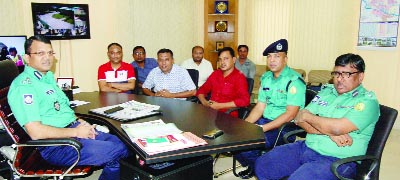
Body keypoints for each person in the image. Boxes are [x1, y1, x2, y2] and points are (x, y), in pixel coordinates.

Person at [7, 35, 130, 180]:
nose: (47, 57)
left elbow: (63, 109)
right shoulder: (25, 86)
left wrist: (81, 122)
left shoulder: (47, 78)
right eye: (40, 53)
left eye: (50, 52)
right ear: (27, 58)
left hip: (73, 130)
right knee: (118, 150)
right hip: (58, 146)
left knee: (122, 142)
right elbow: (35, 132)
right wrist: (77, 132)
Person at [254, 53, 380, 180]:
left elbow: (337, 128)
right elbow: (298, 117)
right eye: (336, 73)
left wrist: (310, 117)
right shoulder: (327, 92)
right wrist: (328, 132)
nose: (339, 79)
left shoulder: (366, 102)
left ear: (360, 76)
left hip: (338, 160)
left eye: (346, 74)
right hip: (307, 147)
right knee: (263, 165)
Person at [234, 39, 306, 179]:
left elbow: (290, 114)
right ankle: (256, 168)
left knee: (248, 143)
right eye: (269, 56)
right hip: (265, 121)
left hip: (285, 126)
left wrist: (263, 128)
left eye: (277, 56)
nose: (272, 60)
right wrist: (245, 125)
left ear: (285, 59)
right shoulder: (266, 78)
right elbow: (260, 106)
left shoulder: (294, 81)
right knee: (235, 139)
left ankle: (262, 169)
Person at [196, 47, 249, 118]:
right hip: (209, 112)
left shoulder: (239, 77)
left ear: (233, 60)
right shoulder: (215, 74)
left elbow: (245, 100)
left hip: (227, 115)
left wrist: (219, 106)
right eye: (220, 59)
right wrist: (205, 103)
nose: (222, 62)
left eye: (226, 59)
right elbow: (201, 90)